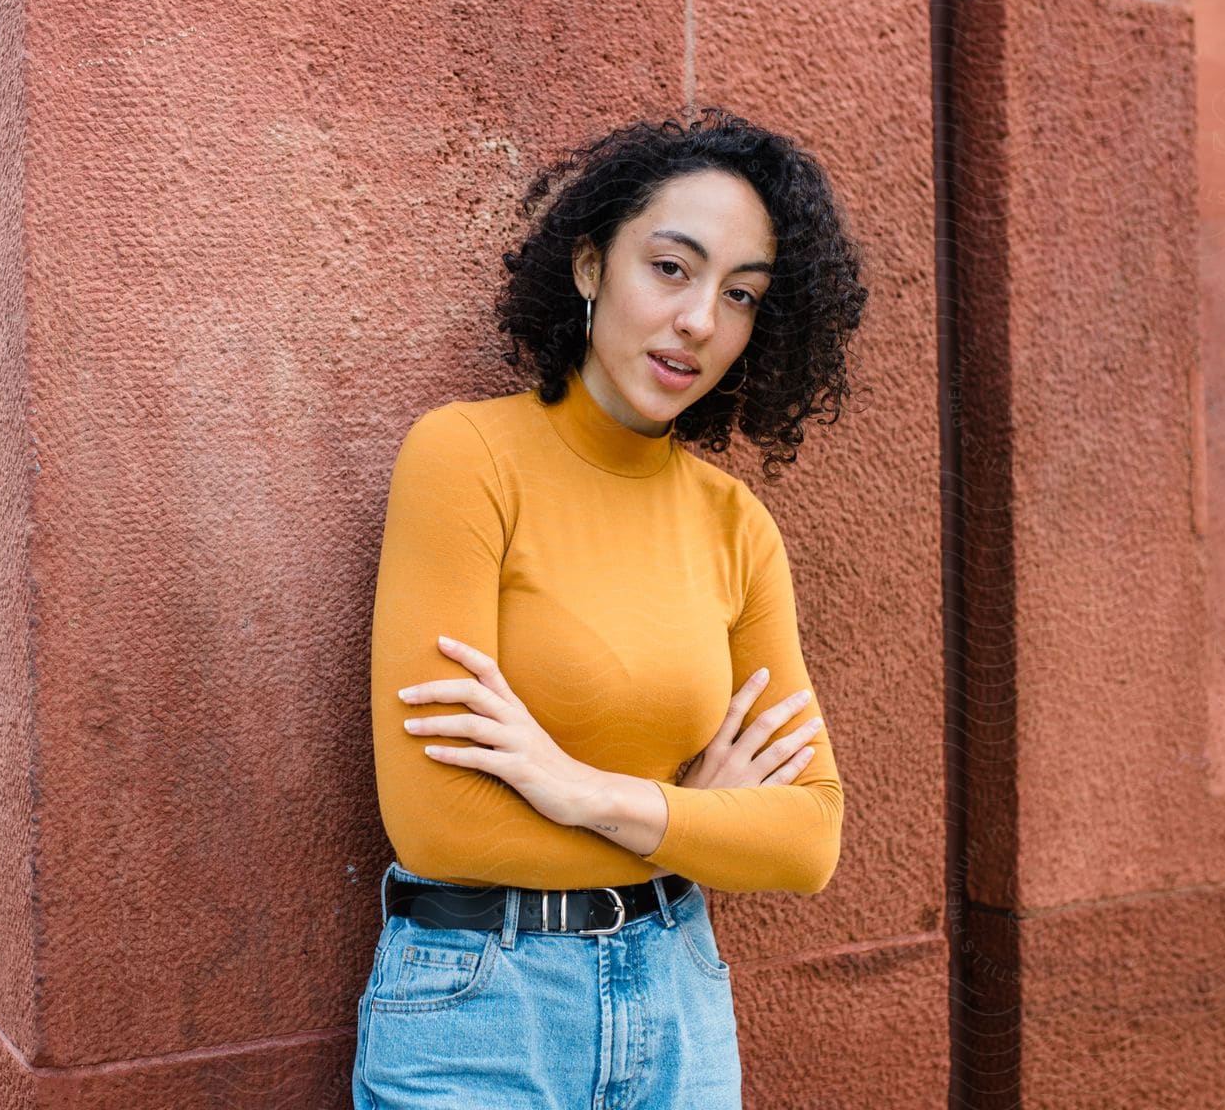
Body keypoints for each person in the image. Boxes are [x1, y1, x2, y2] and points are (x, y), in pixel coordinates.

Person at [354, 107, 869, 1108]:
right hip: (481, 1011)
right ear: (591, 266)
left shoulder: (735, 527)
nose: (698, 322)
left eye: (741, 296)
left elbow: (810, 837)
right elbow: (438, 825)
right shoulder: (467, 460)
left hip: (679, 1008)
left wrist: (579, 790)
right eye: (670, 269)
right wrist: (698, 820)